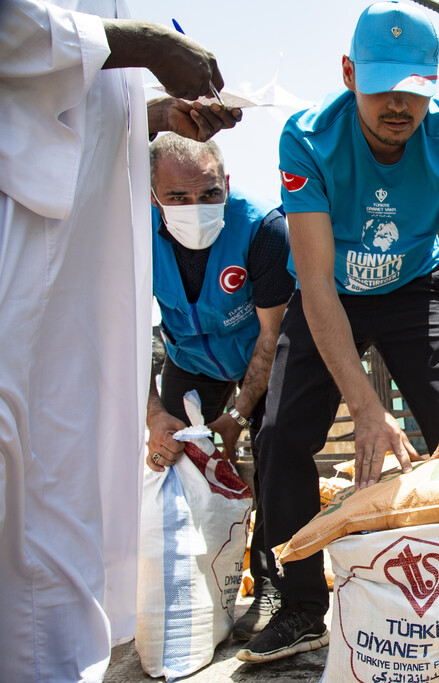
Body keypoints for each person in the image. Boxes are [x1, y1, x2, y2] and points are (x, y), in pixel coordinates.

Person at [239, 1, 439, 662]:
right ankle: (301, 607)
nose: (398, 105)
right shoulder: (307, 138)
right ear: (350, 73)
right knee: (280, 436)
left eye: (414, 89)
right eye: (382, 86)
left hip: (414, 286)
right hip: (332, 292)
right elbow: (315, 283)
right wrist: (365, 406)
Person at [0, 1, 238, 680]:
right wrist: (135, 43)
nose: (193, 210)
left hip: (84, 238)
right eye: (179, 199)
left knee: (64, 461)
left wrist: (153, 115)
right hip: (21, 221)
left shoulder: (253, 229)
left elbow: (80, 111)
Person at [145, 134, 294, 641]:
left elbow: (272, 334)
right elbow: (120, 335)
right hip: (189, 359)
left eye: (209, 193)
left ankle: (273, 584)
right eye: (177, 197)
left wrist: (239, 415)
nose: (196, 207)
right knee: (173, 457)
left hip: (259, 351)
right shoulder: (131, 237)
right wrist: (153, 415)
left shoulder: (264, 229)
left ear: (226, 184)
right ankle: (188, 587)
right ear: (153, 196)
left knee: (277, 449)